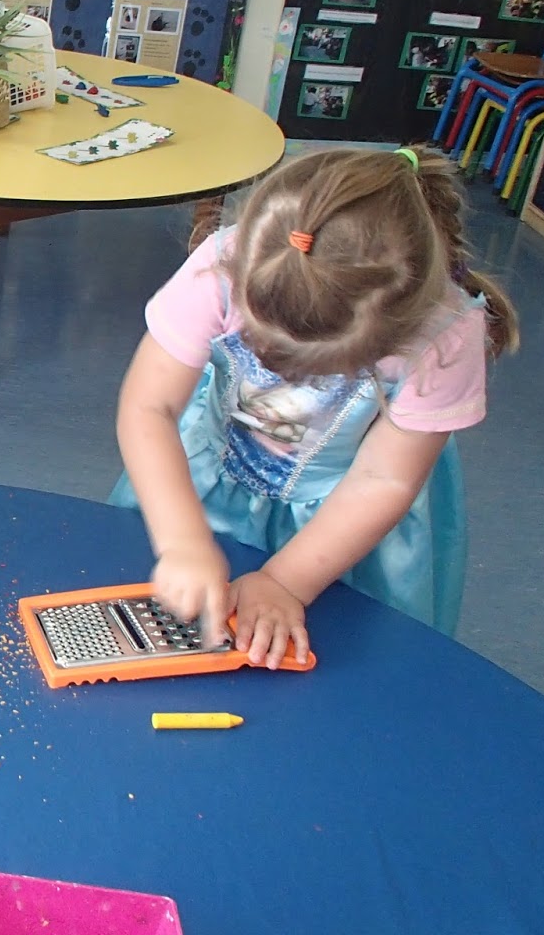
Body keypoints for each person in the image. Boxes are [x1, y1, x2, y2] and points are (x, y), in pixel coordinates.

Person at [111, 146, 518, 667]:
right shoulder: (221, 265)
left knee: (355, 658)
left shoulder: (445, 337)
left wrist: (286, 582)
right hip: (207, 475)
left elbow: (383, 480)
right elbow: (150, 407)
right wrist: (181, 541)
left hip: (346, 519)